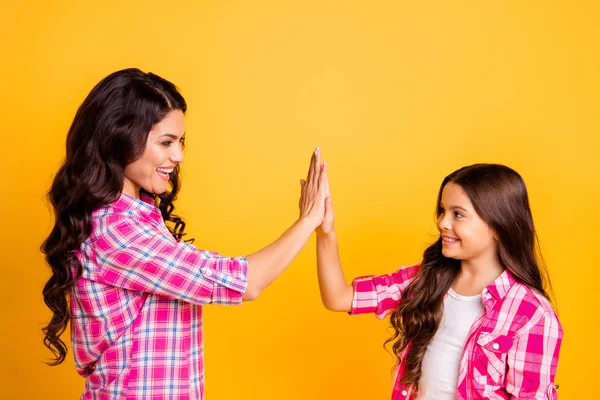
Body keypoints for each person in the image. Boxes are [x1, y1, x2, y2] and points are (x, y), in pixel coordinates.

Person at [41, 68, 328, 400]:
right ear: (118, 138)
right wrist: (308, 220)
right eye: (166, 142)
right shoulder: (115, 231)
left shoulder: (140, 217)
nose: (178, 157)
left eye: (180, 142)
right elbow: (243, 281)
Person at [316, 163, 563, 399]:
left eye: (458, 214)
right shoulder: (424, 279)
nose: (442, 223)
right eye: (443, 211)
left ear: (498, 226)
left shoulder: (532, 313)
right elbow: (339, 298)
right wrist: (325, 233)